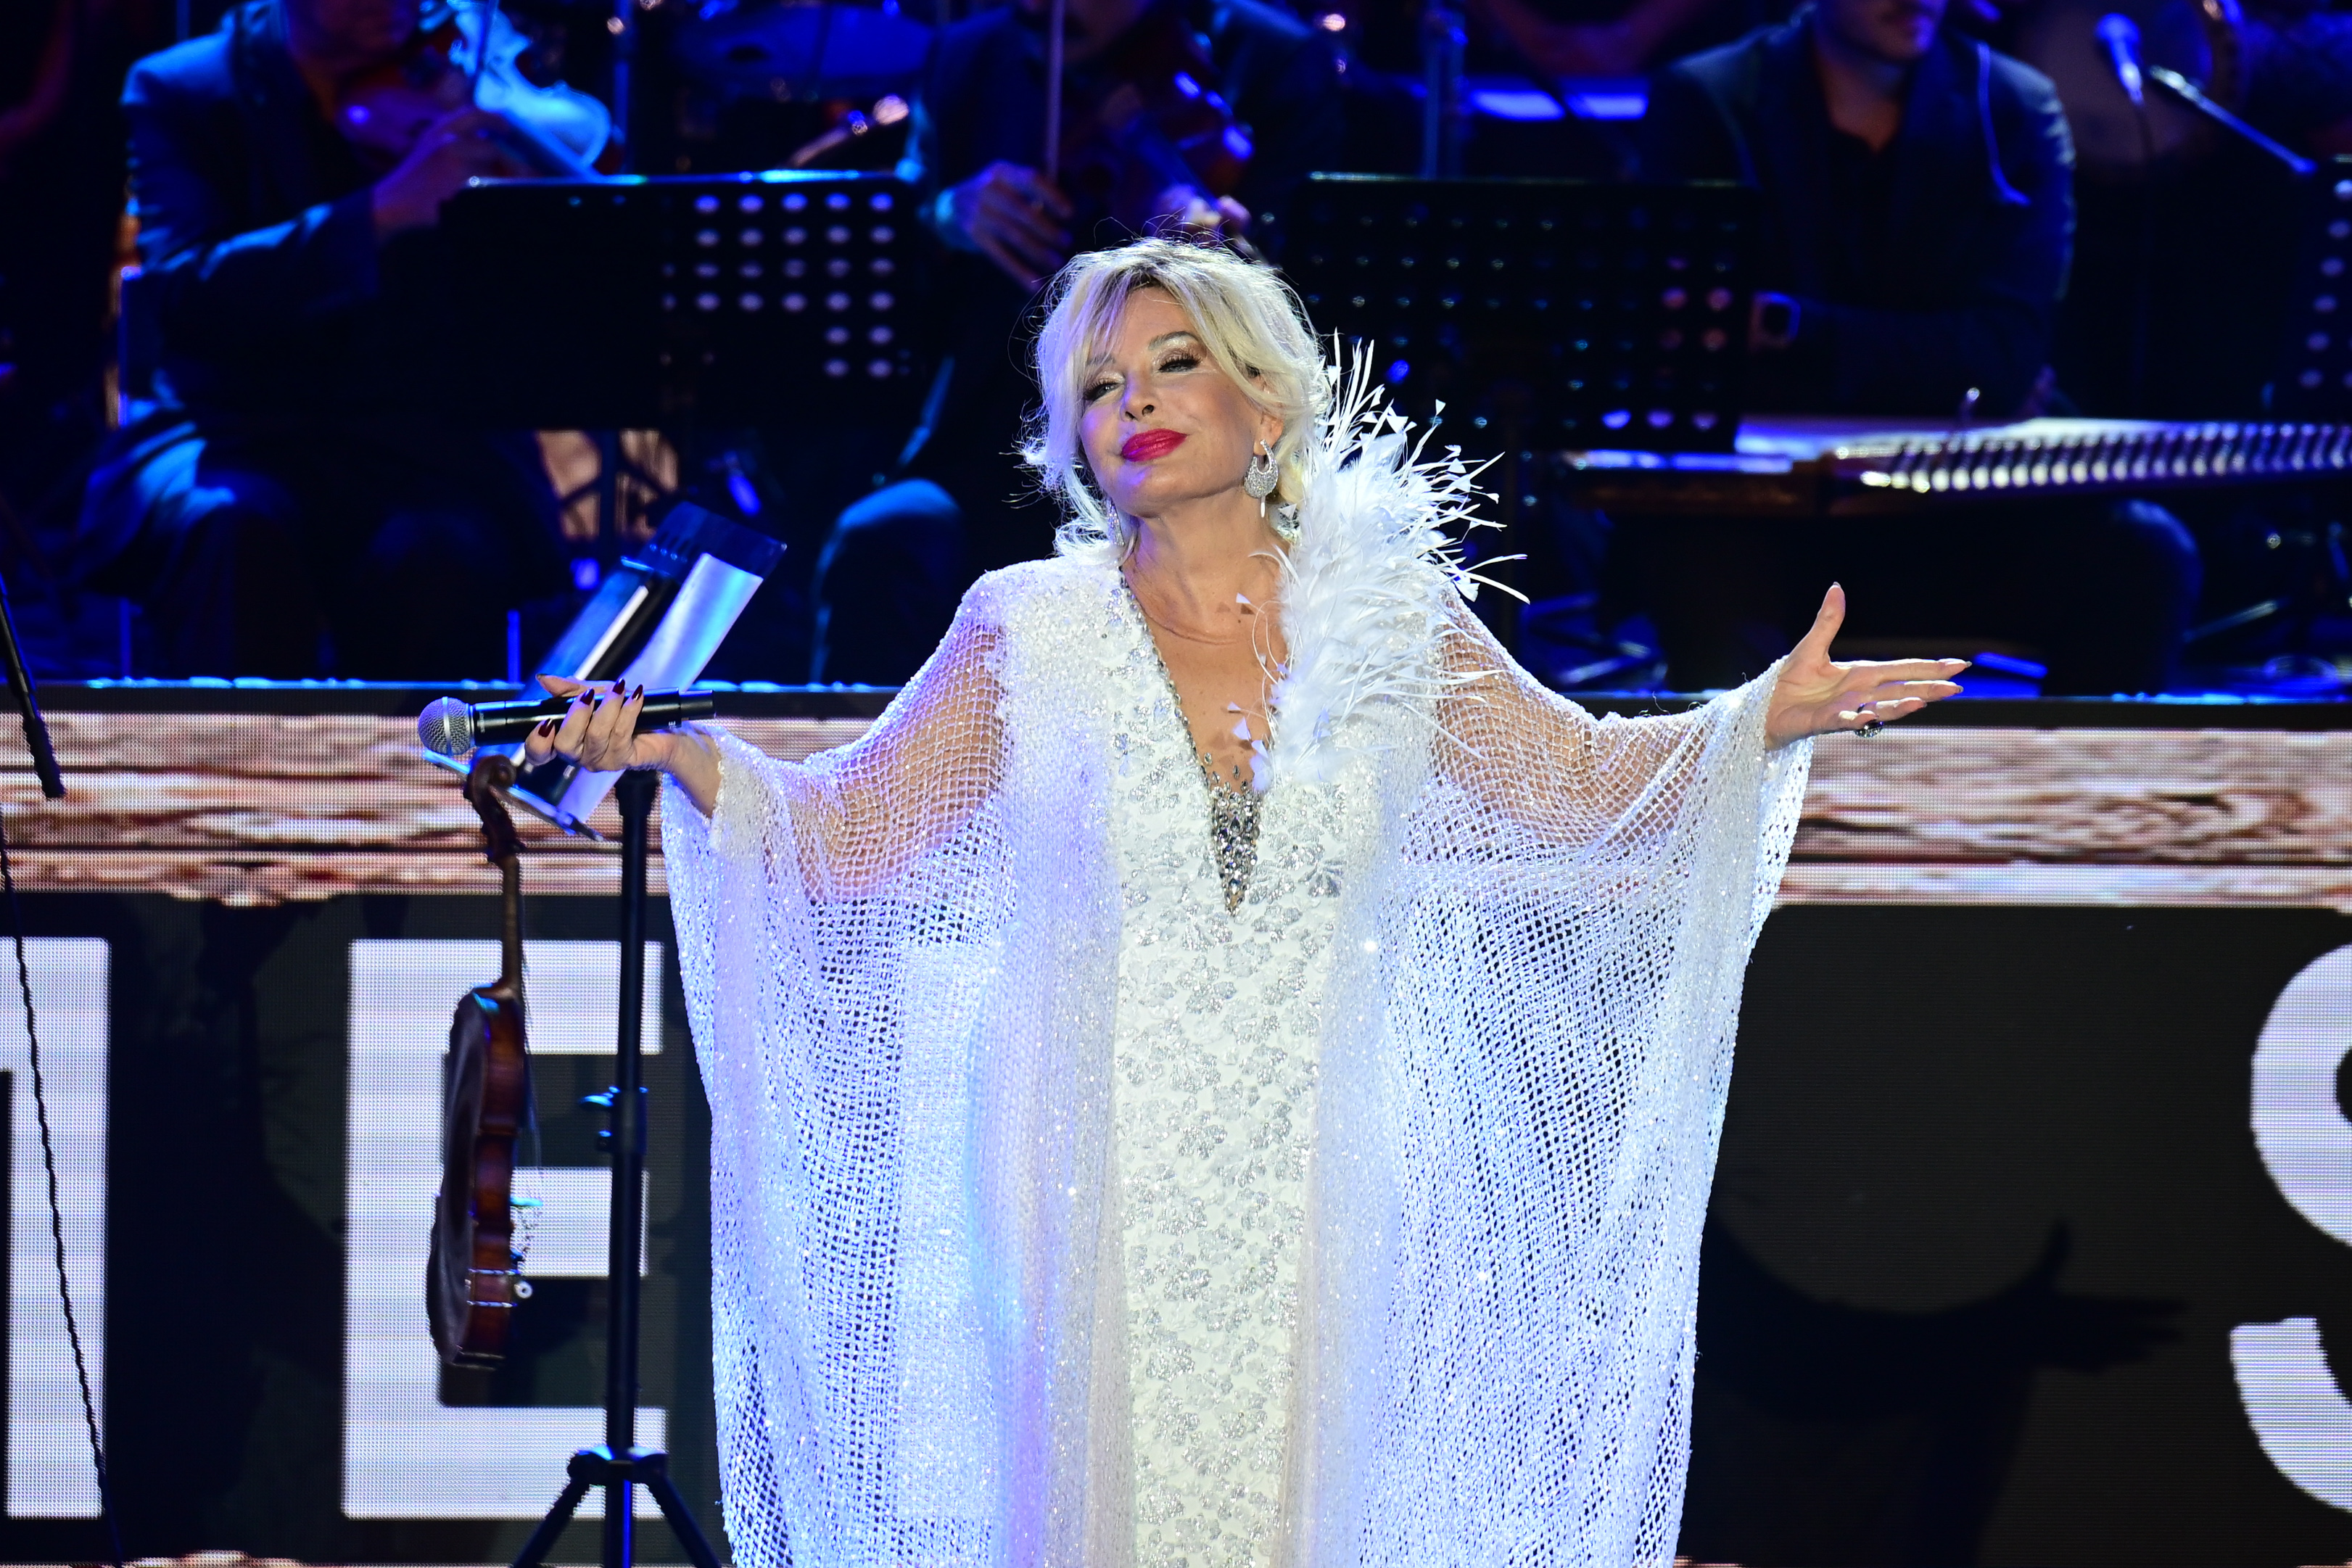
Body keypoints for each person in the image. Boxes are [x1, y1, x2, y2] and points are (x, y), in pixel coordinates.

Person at [525, 238, 1963, 1567]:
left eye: (1173, 364)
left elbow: (1578, 785)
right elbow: (849, 837)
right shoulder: (1024, 624)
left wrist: (1758, 716)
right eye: (1099, 385)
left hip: (1319, 1141)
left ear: (1264, 400)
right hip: (1076, 1146)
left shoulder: (1392, 614)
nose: (1134, 403)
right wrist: (683, 757)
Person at [1629, 0, 2202, 692]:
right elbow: (1694, 347)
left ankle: (2067, 764)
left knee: (2144, 554)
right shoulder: (1707, 97)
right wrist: (1934, 364)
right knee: (1705, 573)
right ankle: (1747, 766)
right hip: (1766, 511)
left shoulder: (2013, 104)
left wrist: (1787, 327)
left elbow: (2003, 356)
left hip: (1958, 511)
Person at [806, 0, 1345, 683]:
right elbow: (898, 250)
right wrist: (947, 217)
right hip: (997, 444)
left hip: (1183, 449)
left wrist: (1221, 264)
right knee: (881, 541)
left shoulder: (1267, 61)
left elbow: (1311, 298)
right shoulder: (970, 56)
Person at [72, 0, 569, 677]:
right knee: (230, 530)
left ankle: (433, 749)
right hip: (234, 423)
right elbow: (187, 295)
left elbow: (528, 305)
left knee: (440, 552)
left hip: (422, 434)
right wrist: (382, 213)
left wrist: (531, 216)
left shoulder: (450, 86)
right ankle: (228, 747)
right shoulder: (185, 88)